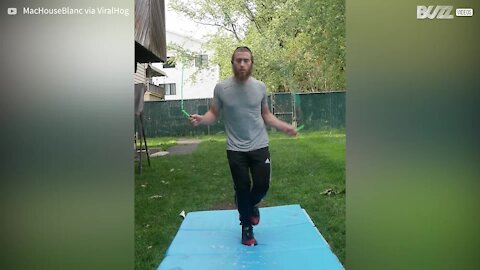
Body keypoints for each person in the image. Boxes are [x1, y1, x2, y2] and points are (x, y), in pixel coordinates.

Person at [189, 46, 297, 246]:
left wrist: (284, 127)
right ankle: (246, 227)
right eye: (238, 60)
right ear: (232, 63)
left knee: (262, 186)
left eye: (246, 60)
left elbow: (266, 114)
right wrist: (201, 119)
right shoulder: (222, 88)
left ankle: (248, 204)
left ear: (251, 63)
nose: (242, 64)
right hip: (235, 148)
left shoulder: (260, 87)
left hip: (259, 144)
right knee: (242, 188)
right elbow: (214, 113)